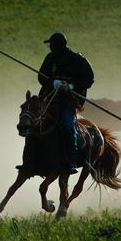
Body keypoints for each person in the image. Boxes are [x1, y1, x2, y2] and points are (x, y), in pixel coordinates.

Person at [37, 32, 95, 172]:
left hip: (69, 100)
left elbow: (89, 79)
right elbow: (41, 77)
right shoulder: (50, 58)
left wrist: (72, 86)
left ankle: (71, 160)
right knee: (34, 122)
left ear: (58, 46)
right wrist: (54, 83)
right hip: (50, 98)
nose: (50, 47)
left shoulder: (78, 60)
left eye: (51, 44)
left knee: (69, 125)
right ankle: (32, 159)